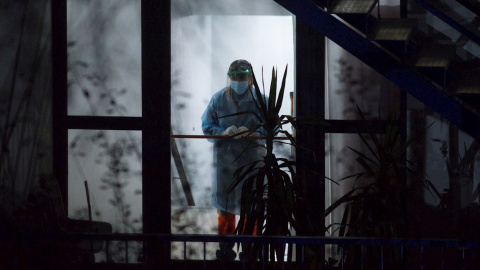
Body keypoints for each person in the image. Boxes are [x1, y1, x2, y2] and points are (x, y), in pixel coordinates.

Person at [201, 59, 265, 260]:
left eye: (242, 76)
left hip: (252, 162)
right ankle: (225, 250)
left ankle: (250, 250)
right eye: (235, 76)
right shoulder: (218, 99)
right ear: (229, 77)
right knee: (225, 208)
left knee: (251, 207)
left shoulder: (261, 100)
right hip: (226, 164)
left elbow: (274, 127)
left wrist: (255, 133)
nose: (238, 80)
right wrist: (223, 132)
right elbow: (207, 125)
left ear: (250, 78)